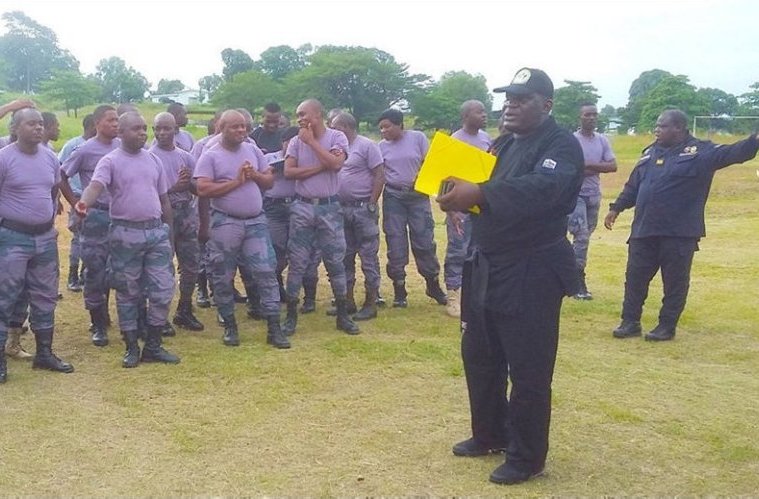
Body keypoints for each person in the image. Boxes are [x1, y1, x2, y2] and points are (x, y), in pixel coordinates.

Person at [438, 68, 583, 485]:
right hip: (487, 262)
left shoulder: (560, 145)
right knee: (480, 355)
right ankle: (490, 434)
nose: (511, 106)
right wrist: (455, 194)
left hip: (532, 267)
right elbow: (477, 185)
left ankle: (527, 457)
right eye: (508, 99)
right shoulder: (502, 143)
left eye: (522, 99)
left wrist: (480, 194)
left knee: (528, 367)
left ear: (547, 104)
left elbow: (543, 190)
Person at [605, 109, 758, 341]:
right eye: (657, 125)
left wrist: (754, 140)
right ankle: (630, 322)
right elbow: (634, 185)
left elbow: (733, 153)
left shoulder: (701, 152)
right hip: (645, 229)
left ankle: (666, 326)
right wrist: (616, 207)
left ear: (679, 128)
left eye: (662, 126)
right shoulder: (649, 153)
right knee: (635, 279)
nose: (657, 130)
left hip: (678, 232)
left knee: (674, 283)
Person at [76, 112, 180, 368]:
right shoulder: (110, 161)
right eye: (136, 129)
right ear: (120, 133)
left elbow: (164, 199)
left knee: (163, 290)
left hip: (156, 233)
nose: (142, 133)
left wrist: (169, 233)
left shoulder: (153, 159)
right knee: (128, 292)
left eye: (144, 128)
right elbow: (95, 186)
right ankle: (131, 346)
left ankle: (153, 345)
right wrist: (83, 204)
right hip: (125, 234)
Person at [195, 110, 290, 349]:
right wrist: (236, 182)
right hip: (226, 222)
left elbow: (269, 181)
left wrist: (255, 175)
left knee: (266, 271)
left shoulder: (253, 150)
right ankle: (230, 325)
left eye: (244, 127)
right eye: (235, 127)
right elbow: (203, 189)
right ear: (221, 128)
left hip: (256, 221)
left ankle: (274, 328)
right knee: (222, 274)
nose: (241, 131)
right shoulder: (210, 155)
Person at [0, 107, 76, 383]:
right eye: (31, 124)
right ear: (15, 128)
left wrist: (49, 221)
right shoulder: (4, 158)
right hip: (12, 238)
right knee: (5, 297)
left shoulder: (50, 157)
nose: (38, 128)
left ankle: (44, 353)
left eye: (41, 123)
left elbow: (53, 189)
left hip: (44, 238)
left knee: (45, 296)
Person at [281, 99, 359, 335]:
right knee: (297, 262)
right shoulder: (295, 141)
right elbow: (289, 172)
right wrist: (319, 167)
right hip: (302, 207)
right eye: (297, 115)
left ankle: (343, 315)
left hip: (329, 207)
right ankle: (291, 316)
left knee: (335, 261)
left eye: (303, 114)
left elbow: (336, 164)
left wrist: (312, 143)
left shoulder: (337, 137)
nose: (300, 119)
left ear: (318, 115)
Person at [60, 105, 120, 347]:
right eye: (110, 120)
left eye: (117, 120)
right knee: (95, 270)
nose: (115, 124)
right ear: (97, 124)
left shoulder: (122, 147)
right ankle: (98, 322)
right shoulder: (85, 150)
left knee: (118, 269)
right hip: (96, 216)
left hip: (120, 216)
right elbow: (62, 175)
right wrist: (75, 202)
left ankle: (112, 315)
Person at [377, 108, 447, 308]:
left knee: (424, 241)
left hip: (418, 196)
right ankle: (399, 290)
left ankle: (433, 285)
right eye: (381, 128)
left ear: (400, 124)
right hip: (394, 196)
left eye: (387, 126)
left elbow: (429, 162)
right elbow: (379, 172)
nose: (383, 131)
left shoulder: (417, 138)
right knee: (396, 242)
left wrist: (421, 177)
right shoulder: (381, 146)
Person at [150, 112, 205, 332]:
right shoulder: (149, 157)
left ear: (176, 130)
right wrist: (173, 187)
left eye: (167, 128)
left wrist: (188, 183)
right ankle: (159, 315)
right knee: (162, 267)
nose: (162, 133)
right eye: (158, 129)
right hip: (161, 216)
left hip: (186, 214)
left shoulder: (186, 157)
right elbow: (146, 193)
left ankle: (184, 309)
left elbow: (199, 189)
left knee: (191, 264)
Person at [330, 112, 385, 320]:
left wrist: (372, 202)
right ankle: (348, 301)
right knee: (345, 256)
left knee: (368, 256)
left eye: (335, 126)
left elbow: (379, 175)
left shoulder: (367, 146)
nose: (332, 130)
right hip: (341, 208)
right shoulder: (336, 148)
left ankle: (371, 303)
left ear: (345, 126)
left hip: (363, 209)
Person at [445, 100, 492, 318]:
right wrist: (452, 211)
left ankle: (473, 294)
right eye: (479, 112)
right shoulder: (455, 140)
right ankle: (453, 295)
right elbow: (446, 178)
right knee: (458, 251)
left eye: (484, 111)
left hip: (481, 206)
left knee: (478, 251)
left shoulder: (486, 139)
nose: (484, 115)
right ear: (465, 116)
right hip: (460, 207)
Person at [569, 103, 617, 300]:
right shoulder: (572, 141)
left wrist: (587, 165)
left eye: (594, 114)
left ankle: (568, 272)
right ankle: (578, 281)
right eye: (587, 115)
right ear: (580, 117)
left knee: (585, 236)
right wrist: (598, 166)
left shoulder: (602, 140)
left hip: (594, 195)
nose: (591, 118)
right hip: (575, 195)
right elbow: (571, 168)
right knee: (581, 236)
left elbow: (612, 166)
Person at [59, 114, 96, 293]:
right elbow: (60, 170)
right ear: (93, 126)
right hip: (78, 198)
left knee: (93, 241)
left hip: (96, 202)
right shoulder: (74, 145)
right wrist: (71, 201)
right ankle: (72, 277)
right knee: (78, 240)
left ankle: (84, 275)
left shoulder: (102, 146)